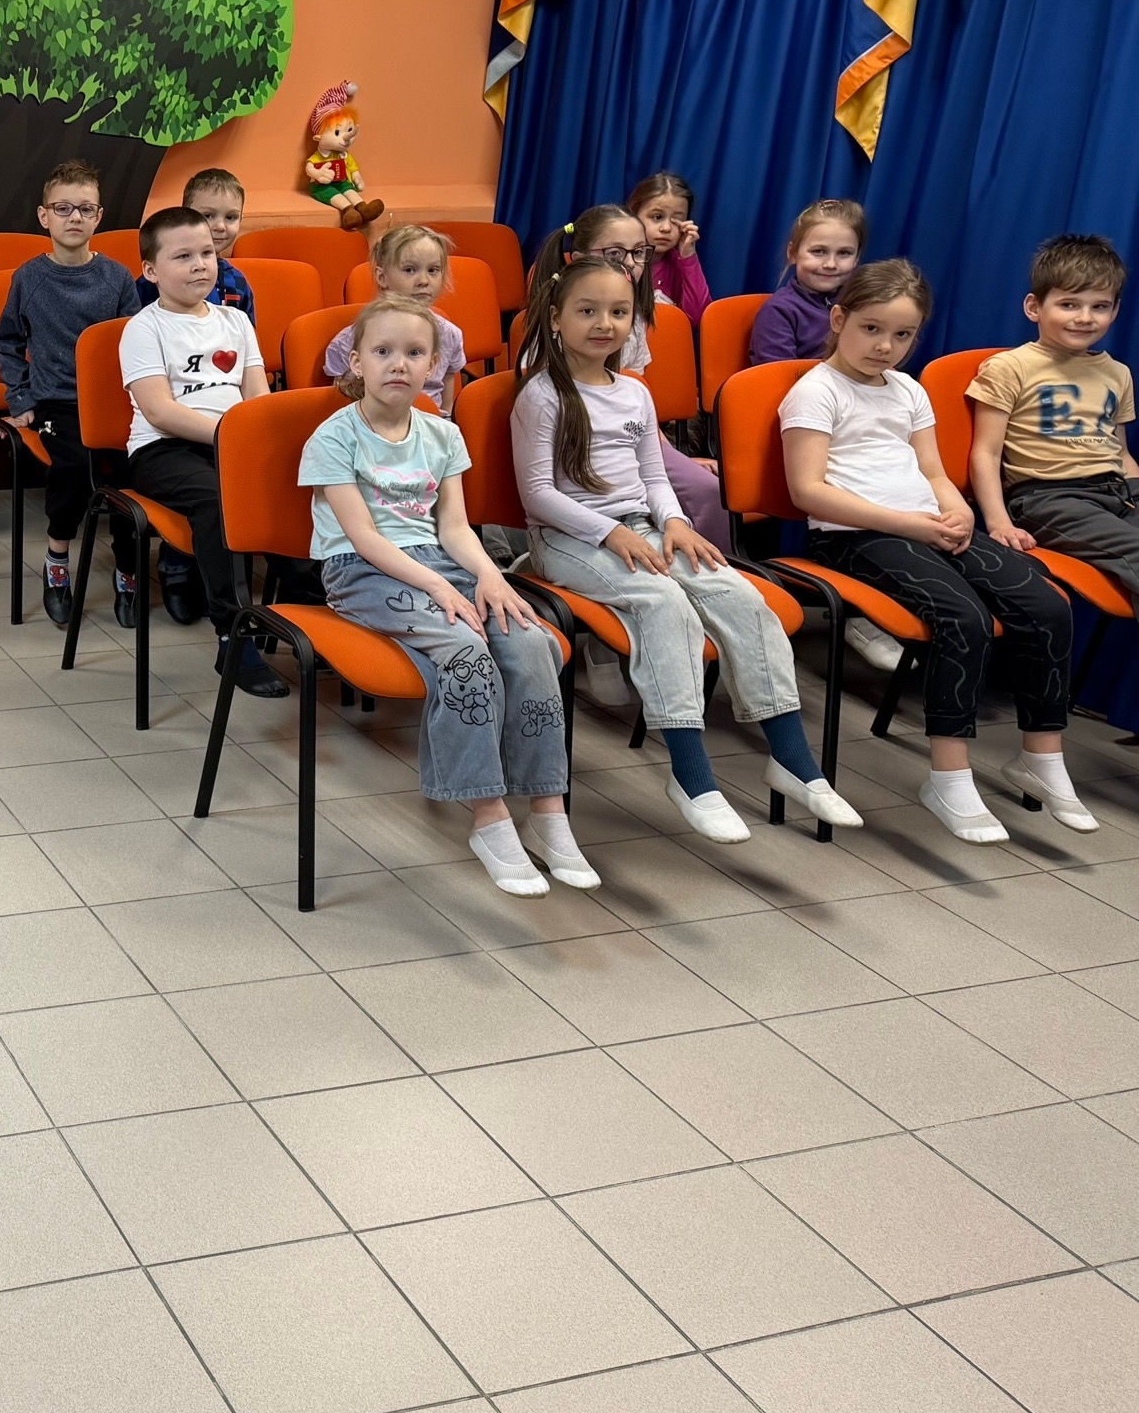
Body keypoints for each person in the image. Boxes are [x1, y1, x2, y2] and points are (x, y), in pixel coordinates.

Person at [513, 257, 860, 840]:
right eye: (587, 311)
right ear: (554, 318)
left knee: (740, 594)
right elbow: (538, 495)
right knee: (664, 603)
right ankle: (691, 774)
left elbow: (654, 476)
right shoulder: (543, 395)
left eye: (618, 312)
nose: (604, 323)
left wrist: (674, 522)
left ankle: (793, 761)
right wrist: (611, 533)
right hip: (568, 538)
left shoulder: (635, 393)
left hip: (643, 528)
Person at [782, 260, 1086, 842]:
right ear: (839, 319)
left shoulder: (909, 389)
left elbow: (933, 471)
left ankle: (1041, 756)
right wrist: (910, 525)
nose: (885, 346)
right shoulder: (815, 392)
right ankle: (948, 777)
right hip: (853, 537)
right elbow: (808, 491)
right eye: (872, 329)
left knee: (1046, 605)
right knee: (963, 617)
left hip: (926, 525)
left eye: (902, 335)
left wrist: (957, 510)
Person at [302, 298, 592, 898]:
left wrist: (490, 576)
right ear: (356, 362)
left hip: (441, 562)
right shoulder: (333, 437)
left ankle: (548, 811)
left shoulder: (443, 434)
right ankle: (489, 816)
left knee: (530, 642)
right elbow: (363, 535)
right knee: (466, 654)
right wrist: (436, 587)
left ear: (434, 365)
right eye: (383, 351)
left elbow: (455, 528)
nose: (398, 364)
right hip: (363, 570)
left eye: (414, 353)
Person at [121, 205, 284, 696]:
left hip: (230, 442)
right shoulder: (144, 328)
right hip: (162, 450)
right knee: (218, 500)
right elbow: (159, 411)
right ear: (151, 271)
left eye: (207, 254)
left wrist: (257, 443)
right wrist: (229, 435)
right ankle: (233, 635)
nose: (200, 265)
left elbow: (259, 399)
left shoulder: (236, 321)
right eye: (183, 256)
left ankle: (307, 608)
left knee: (298, 483)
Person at [527, 206, 729, 554]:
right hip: (583, 442)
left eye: (639, 252)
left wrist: (667, 455)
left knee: (710, 490)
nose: (631, 263)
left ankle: (708, 560)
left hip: (630, 438)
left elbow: (634, 401)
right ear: (578, 258)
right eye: (615, 253)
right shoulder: (559, 328)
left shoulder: (633, 321)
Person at [0, 160, 140, 627]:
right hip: (56, 401)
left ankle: (129, 570)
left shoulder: (117, 277)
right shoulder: (29, 278)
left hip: (114, 402)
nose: (75, 217)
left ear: (99, 217)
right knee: (75, 464)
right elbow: (7, 341)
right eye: (63, 208)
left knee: (131, 469)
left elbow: (137, 341)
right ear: (44, 216)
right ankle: (57, 560)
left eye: (85, 209)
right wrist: (21, 400)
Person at [967, 234, 1137, 605]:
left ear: (1115, 311)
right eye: (1069, 304)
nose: (1085, 318)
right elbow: (986, 453)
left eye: (1099, 306)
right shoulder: (1010, 367)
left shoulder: (1118, 373)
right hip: (1048, 498)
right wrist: (998, 522)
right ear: (1034, 307)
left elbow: (1121, 454)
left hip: (1115, 492)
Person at [324, 223, 466, 415]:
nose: (424, 281)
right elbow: (342, 402)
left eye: (433, 270)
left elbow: (446, 396)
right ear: (382, 277)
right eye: (409, 270)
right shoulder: (352, 339)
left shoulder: (450, 334)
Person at [748, 199, 866, 367]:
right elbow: (779, 376)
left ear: (857, 258)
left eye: (844, 253)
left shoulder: (860, 304)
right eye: (818, 251)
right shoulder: (778, 312)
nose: (831, 264)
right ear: (793, 253)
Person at [137, 168, 255, 318]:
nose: (220, 226)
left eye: (231, 217)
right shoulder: (156, 279)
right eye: (208, 215)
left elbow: (247, 329)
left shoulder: (237, 282)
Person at [628, 171, 708, 323]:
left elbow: (698, 317)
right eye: (657, 217)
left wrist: (688, 257)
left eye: (676, 220)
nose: (666, 228)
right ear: (633, 216)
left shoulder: (679, 264)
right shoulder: (619, 259)